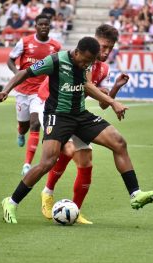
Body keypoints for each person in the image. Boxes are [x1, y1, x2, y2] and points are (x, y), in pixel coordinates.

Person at [0, 36, 153, 224]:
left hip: (80, 115)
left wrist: (113, 102)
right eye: (84, 61)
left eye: (90, 62)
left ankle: (135, 194)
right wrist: (6, 90)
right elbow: (24, 73)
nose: (86, 65)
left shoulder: (86, 64)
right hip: (57, 116)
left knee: (119, 142)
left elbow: (87, 87)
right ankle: (11, 201)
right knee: (47, 162)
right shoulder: (55, 60)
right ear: (76, 52)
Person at [40, 24, 130, 224]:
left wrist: (114, 89)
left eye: (109, 48)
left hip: (73, 114)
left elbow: (101, 103)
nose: (105, 52)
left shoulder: (102, 68)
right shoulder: (78, 60)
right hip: (48, 107)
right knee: (68, 149)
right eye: (103, 46)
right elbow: (86, 87)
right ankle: (47, 194)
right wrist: (112, 101)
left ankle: (74, 210)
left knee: (86, 159)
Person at [0, 14, 61, 175]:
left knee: (35, 123)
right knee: (24, 125)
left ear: (50, 26)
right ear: (36, 26)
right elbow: (10, 60)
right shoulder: (25, 42)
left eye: (47, 24)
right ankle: (20, 132)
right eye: (41, 24)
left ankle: (27, 164)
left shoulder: (56, 46)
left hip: (41, 93)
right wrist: (18, 73)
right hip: (22, 90)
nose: (44, 27)